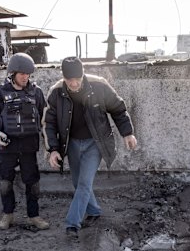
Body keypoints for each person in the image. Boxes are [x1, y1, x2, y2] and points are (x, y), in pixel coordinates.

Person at [43, 56, 137, 239]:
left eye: (77, 78)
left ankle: (72, 225)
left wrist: (127, 133)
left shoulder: (99, 86)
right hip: (71, 143)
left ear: (83, 74)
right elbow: (48, 123)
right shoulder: (56, 92)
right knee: (78, 182)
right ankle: (94, 210)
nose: (74, 83)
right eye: (69, 80)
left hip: (96, 142)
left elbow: (118, 109)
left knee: (85, 183)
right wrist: (53, 149)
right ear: (63, 77)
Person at [0, 53, 50, 231]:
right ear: (12, 74)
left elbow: (46, 120)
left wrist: (51, 146)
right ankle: (8, 215)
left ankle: (33, 216)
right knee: (5, 182)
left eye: (28, 74)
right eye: (21, 74)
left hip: (29, 146)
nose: (25, 77)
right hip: (7, 146)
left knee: (33, 183)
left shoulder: (37, 92)